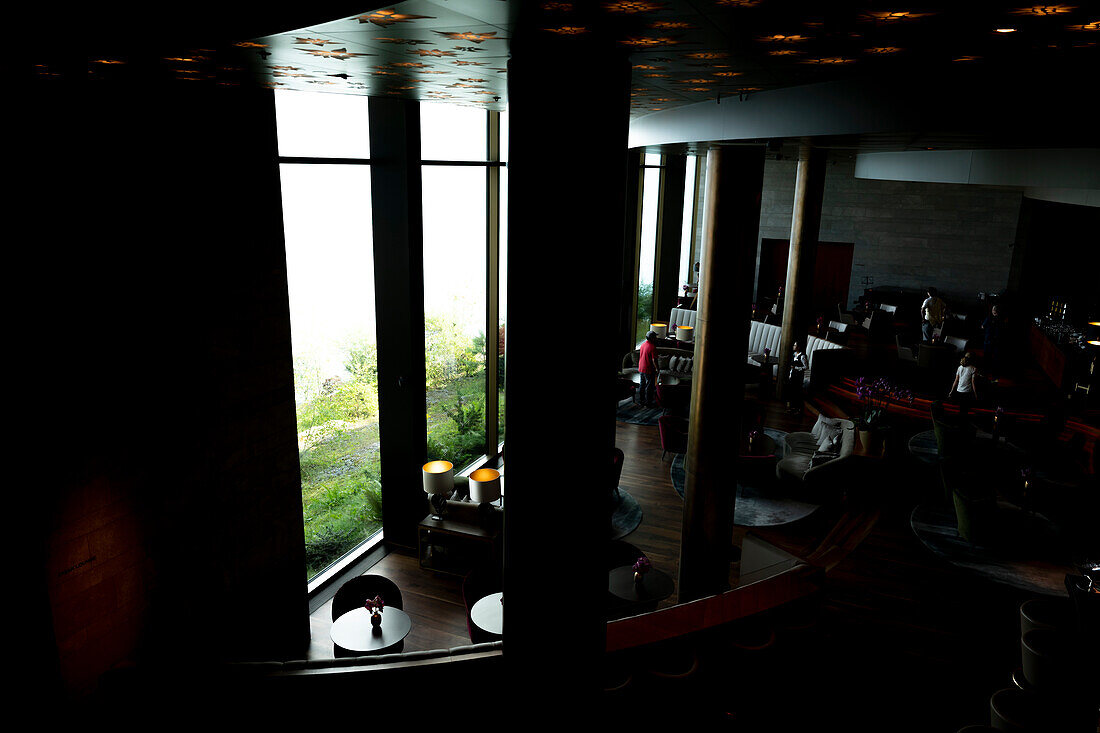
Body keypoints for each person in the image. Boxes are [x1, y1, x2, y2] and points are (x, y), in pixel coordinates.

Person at [948, 351, 979, 419]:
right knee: (965, 411)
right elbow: (973, 383)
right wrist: (976, 394)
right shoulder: (973, 369)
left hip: (959, 391)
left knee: (961, 410)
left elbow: (956, 381)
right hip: (967, 393)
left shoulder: (959, 367)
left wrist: (951, 391)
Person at [637, 330, 661, 408]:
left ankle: (641, 401)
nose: (656, 338)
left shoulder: (643, 345)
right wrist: (658, 369)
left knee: (642, 385)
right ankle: (648, 403)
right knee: (649, 387)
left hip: (641, 368)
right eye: (655, 337)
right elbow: (654, 360)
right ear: (652, 338)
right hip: (648, 369)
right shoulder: (653, 347)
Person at [982, 303, 1005, 376]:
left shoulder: (1001, 319)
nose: (994, 311)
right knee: (986, 357)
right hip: (988, 340)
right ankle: (985, 371)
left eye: (995, 309)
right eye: (993, 309)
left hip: (996, 342)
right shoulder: (989, 318)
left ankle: (993, 372)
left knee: (995, 358)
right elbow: (983, 326)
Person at [786, 341, 808, 414]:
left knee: (797, 392)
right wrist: (790, 374)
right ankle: (791, 407)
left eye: (795, 345)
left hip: (798, 376)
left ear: (798, 347)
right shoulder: (794, 354)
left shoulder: (802, 356)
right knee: (791, 391)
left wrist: (796, 368)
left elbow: (806, 367)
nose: (793, 346)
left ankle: (798, 409)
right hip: (793, 375)